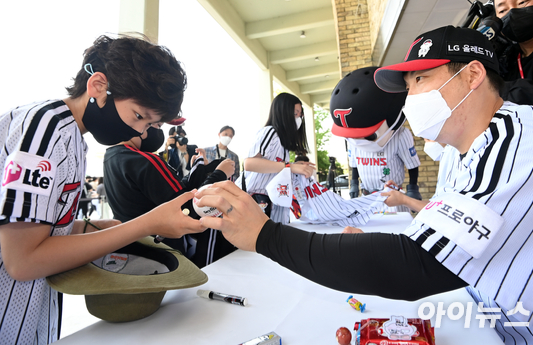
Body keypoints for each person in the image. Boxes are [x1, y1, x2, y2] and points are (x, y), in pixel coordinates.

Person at [197, 26, 533, 345]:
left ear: (473, 75)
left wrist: (267, 236)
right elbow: (447, 232)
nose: (409, 96)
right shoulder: (455, 151)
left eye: (420, 79)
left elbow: (417, 264)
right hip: (491, 319)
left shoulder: (530, 139)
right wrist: (351, 243)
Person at [0, 34, 203, 344]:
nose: (139, 131)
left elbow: (40, 230)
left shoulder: (71, 139)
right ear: (98, 87)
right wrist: (146, 224)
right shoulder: (45, 130)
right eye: (139, 116)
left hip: (32, 315)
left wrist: (95, 227)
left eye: (148, 125)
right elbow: (22, 260)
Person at [103, 127, 236, 268]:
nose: (155, 130)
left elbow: (171, 190)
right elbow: (187, 209)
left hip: (134, 249)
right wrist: (220, 173)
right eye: (157, 124)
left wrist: (198, 170)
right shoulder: (145, 161)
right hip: (162, 254)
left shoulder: (112, 157)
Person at [330, 66, 422, 212]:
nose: (358, 139)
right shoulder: (351, 142)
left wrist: (413, 189)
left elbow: (412, 165)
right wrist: (354, 184)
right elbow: (354, 164)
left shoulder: (400, 135)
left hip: (392, 198)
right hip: (366, 197)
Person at [235, 93, 316, 224]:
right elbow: (249, 163)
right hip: (252, 203)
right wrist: (289, 167)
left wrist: (292, 166)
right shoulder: (271, 132)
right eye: (295, 114)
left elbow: (274, 166)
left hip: (268, 206)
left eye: (300, 115)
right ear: (283, 113)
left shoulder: (283, 144)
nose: (299, 119)